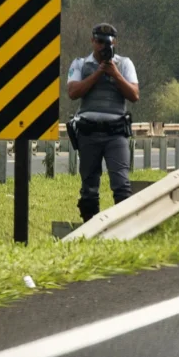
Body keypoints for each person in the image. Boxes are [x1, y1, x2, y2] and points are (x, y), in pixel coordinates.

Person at [66, 23, 140, 222]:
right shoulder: (80, 64)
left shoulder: (124, 64)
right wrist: (98, 73)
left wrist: (115, 74)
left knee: (121, 184)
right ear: (92, 41)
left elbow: (134, 95)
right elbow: (73, 92)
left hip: (116, 133)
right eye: (98, 42)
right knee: (89, 187)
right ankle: (91, 228)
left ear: (114, 43)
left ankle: (124, 229)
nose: (102, 46)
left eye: (106, 42)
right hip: (88, 132)